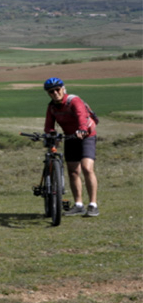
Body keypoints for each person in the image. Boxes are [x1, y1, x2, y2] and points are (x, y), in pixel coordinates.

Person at [43, 77, 99, 217]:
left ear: (63, 89)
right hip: (70, 137)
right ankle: (78, 204)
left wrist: (81, 129)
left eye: (57, 89)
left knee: (87, 168)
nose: (55, 93)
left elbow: (81, 115)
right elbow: (49, 125)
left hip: (86, 136)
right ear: (48, 94)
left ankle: (93, 204)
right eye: (51, 91)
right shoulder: (52, 107)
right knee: (73, 171)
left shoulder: (73, 100)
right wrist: (51, 135)